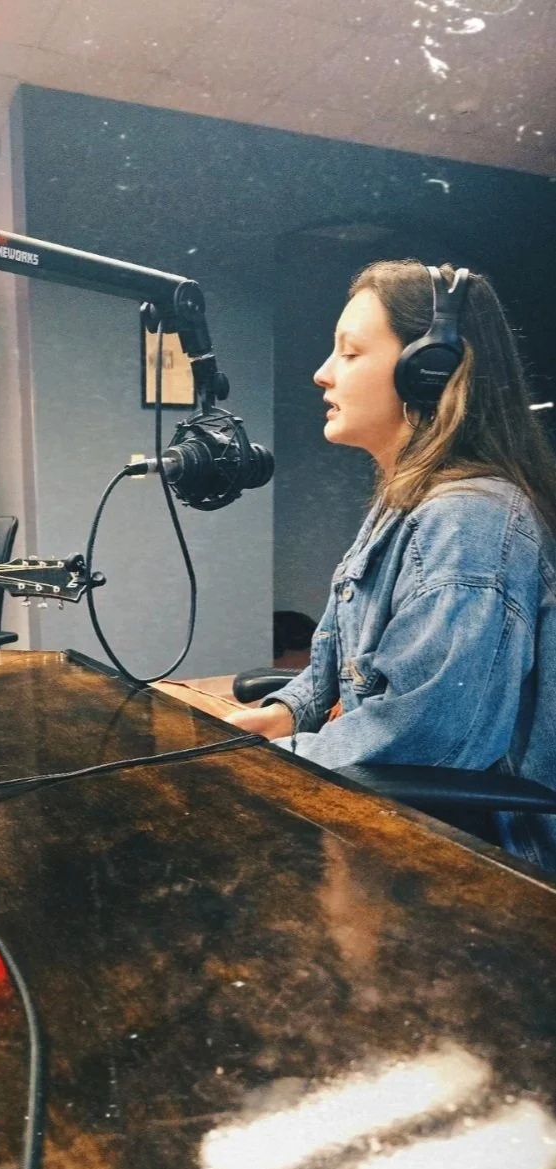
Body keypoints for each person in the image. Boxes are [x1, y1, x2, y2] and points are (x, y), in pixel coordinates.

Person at [227, 260, 556, 873]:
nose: (322, 374)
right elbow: (331, 649)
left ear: (428, 374)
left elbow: (431, 743)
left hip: (478, 862)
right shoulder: (406, 497)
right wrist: (285, 712)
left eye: (349, 354)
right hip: (403, 820)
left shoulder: (470, 521)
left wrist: (270, 762)